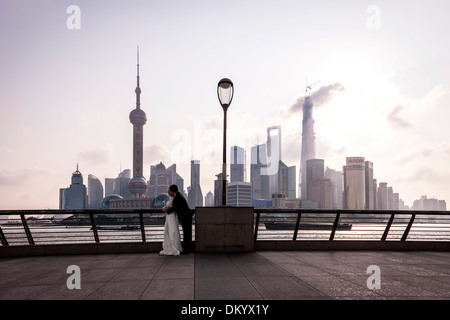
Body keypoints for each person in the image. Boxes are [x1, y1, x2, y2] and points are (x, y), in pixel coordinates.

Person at [163, 184, 193, 254]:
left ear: (172, 191)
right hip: (185, 217)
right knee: (187, 233)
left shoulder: (177, 197)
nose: (168, 192)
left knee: (187, 233)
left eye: (169, 190)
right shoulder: (176, 196)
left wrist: (165, 210)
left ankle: (186, 250)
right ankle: (186, 249)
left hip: (186, 217)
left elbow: (173, 208)